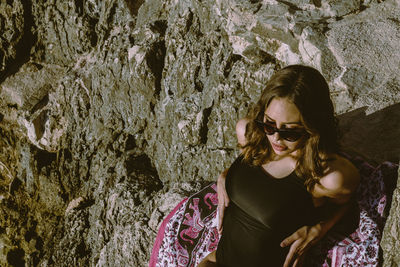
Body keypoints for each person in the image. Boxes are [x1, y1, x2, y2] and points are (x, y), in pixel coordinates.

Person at [198, 65, 360, 267]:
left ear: (313, 127)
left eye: (290, 131)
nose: (275, 138)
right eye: (269, 124)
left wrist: (320, 228)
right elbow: (251, 180)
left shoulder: (326, 175)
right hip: (215, 261)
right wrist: (227, 175)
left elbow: (348, 202)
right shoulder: (250, 134)